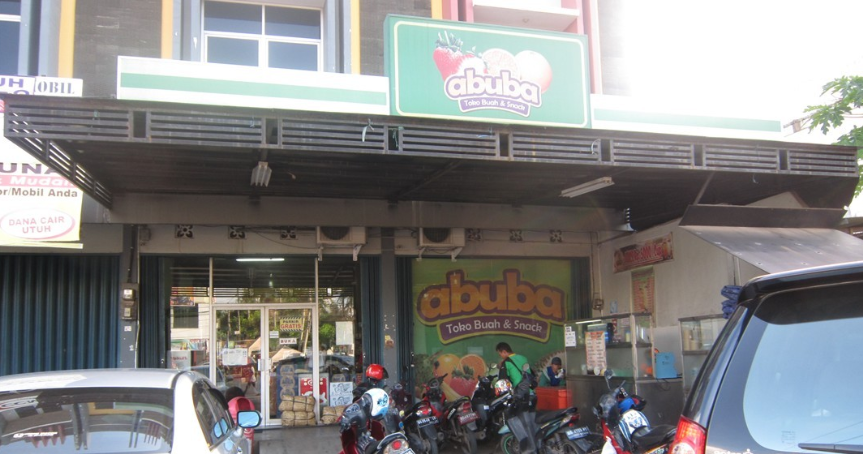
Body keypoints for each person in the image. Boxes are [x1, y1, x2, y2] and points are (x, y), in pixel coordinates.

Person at [496, 342, 539, 454]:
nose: (501, 356)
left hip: (521, 396)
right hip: (532, 395)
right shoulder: (523, 358)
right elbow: (531, 374)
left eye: (500, 354)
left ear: (504, 351)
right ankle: (538, 445)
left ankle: (530, 448)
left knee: (523, 422)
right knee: (532, 422)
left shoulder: (506, 362)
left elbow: (502, 383)